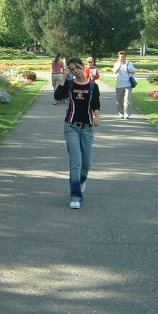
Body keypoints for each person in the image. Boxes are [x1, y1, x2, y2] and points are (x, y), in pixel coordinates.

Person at [53, 57, 101, 210]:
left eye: (77, 68)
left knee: (86, 164)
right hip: (71, 127)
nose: (75, 71)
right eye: (71, 69)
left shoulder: (93, 86)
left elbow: (95, 105)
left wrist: (97, 117)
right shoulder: (70, 84)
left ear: (83, 66)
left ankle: (81, 181)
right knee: (76, 163)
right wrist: (65, 76)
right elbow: (57, 96)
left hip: (87, 128)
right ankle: (75, 196)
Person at [113, 50, 135, 119]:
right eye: (120, 57)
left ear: (125, 57)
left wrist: (129, 70)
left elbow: (134, 71)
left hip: (128, 84)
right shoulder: (116, 64)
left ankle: (126, 114)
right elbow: (115, 72)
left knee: (127, 99)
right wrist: (118, 67)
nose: (122, 58)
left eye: (123, 57)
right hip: (119, 84)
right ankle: (121, 113)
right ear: (118, 58)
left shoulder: (129, 64)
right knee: (119, 100)